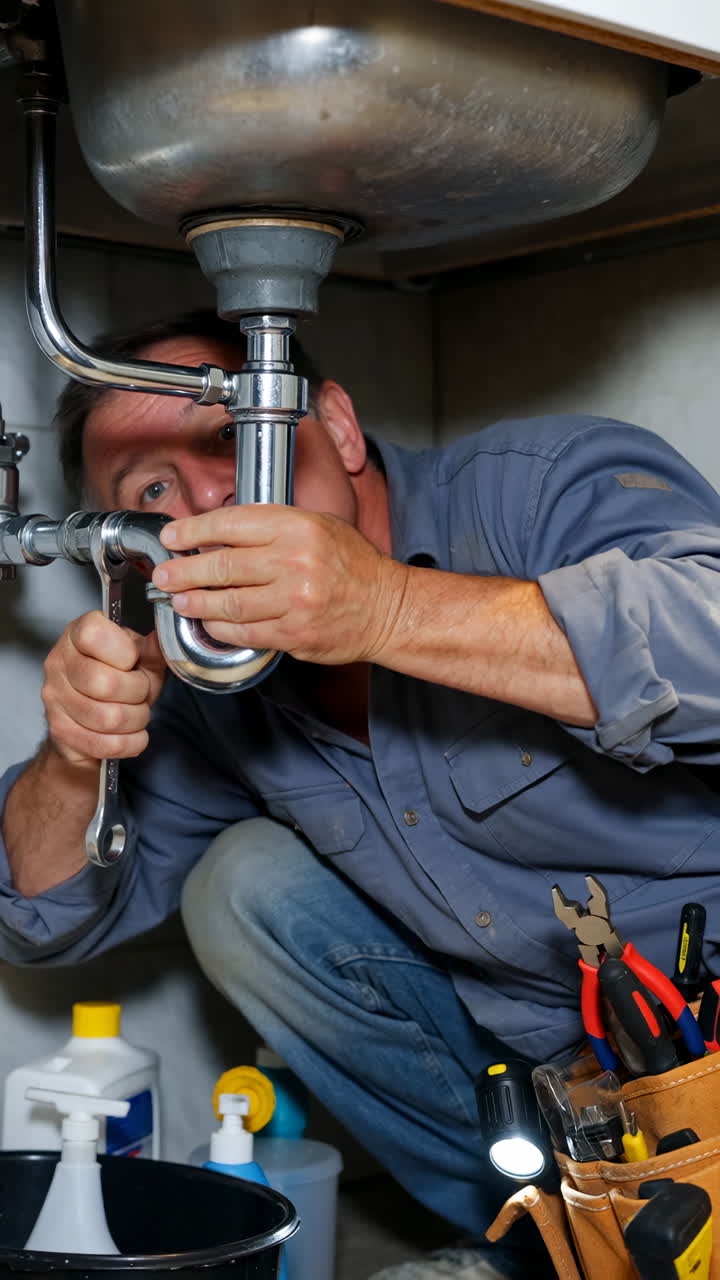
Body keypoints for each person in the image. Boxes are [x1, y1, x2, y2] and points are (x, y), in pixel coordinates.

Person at [2, 306, 720, 1280]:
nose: (211, 504)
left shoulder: (533, 491)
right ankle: (528, 1243)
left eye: (233, 439)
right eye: (154, 488)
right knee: (242, 887)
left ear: (338, 426)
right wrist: (78, 751)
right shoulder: (217, 682)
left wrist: (384, 608)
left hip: (701, 1026)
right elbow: (41, 916)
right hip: (549, 1087)